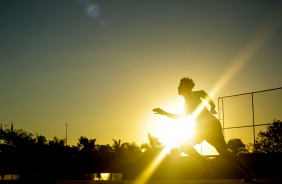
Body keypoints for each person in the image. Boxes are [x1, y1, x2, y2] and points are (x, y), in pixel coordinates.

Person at [153, 77, 255, 182]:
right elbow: (203, 93)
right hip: (213, 124)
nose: (178, 87)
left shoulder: (189, 99)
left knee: (184, 146)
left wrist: (164, 113)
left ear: (185, 88)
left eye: (180, 85)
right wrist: (212, 105)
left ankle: (206, 163)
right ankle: (248, 172)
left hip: (206, 126)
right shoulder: (193, 94)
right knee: (224, 153)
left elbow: (181, 118)